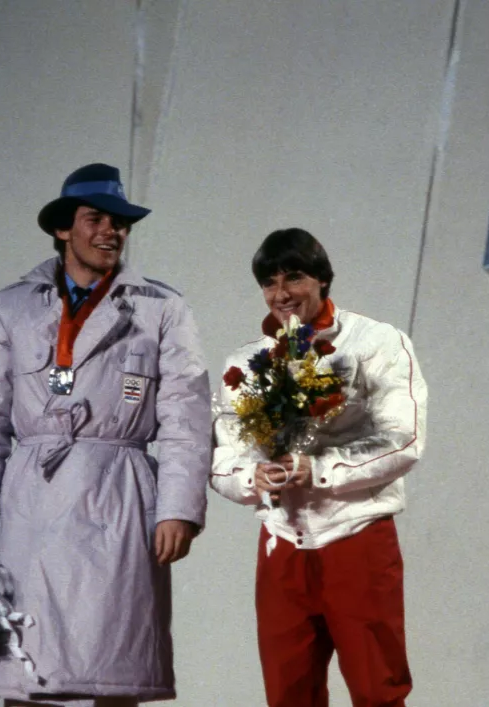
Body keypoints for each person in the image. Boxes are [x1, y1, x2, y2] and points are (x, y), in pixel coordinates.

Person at [0, 163, 211, 706]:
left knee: (113, 666)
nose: (111, 232)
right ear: (64, 228)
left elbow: (188, 416)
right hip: (30, 503)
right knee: (26, 669)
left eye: (120, 222)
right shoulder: (12, 307)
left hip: (118, 496)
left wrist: (177, 508)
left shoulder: (162, 308)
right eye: (96, 219)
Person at [210, 228, 427, 707]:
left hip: (356, 536)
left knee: (378, 692)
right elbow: (223, 457)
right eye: (270, 282)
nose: (282, 293)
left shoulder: (375, 341)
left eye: (295, 277)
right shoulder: (244, 363)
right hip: (282, 544)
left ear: (323, 280)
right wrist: (252, 478)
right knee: (288, 696)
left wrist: (320, 468)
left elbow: (404, 439)